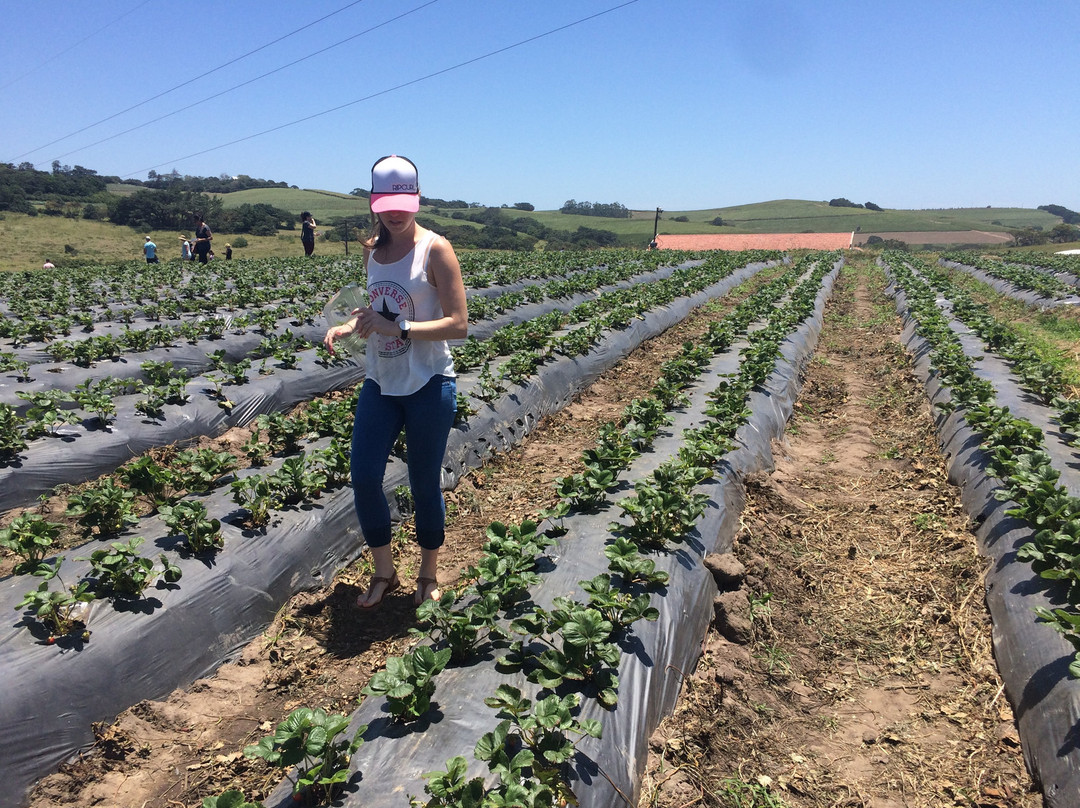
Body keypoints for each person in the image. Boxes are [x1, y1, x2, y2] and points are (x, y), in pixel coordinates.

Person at [323, 155, 467, 609]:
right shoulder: (371, 249)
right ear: (373, 203)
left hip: (428, 382)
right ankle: (384, 570)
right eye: (387, 203)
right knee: (364, 476)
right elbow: (382, 307)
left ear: (417, 199)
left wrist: (397, 329)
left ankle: (428, 572)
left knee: (424, 481)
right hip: (381, 382)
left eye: (404, 202)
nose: (396, 212)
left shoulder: (436, 249)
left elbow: (459, 324)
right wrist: (354, 326)